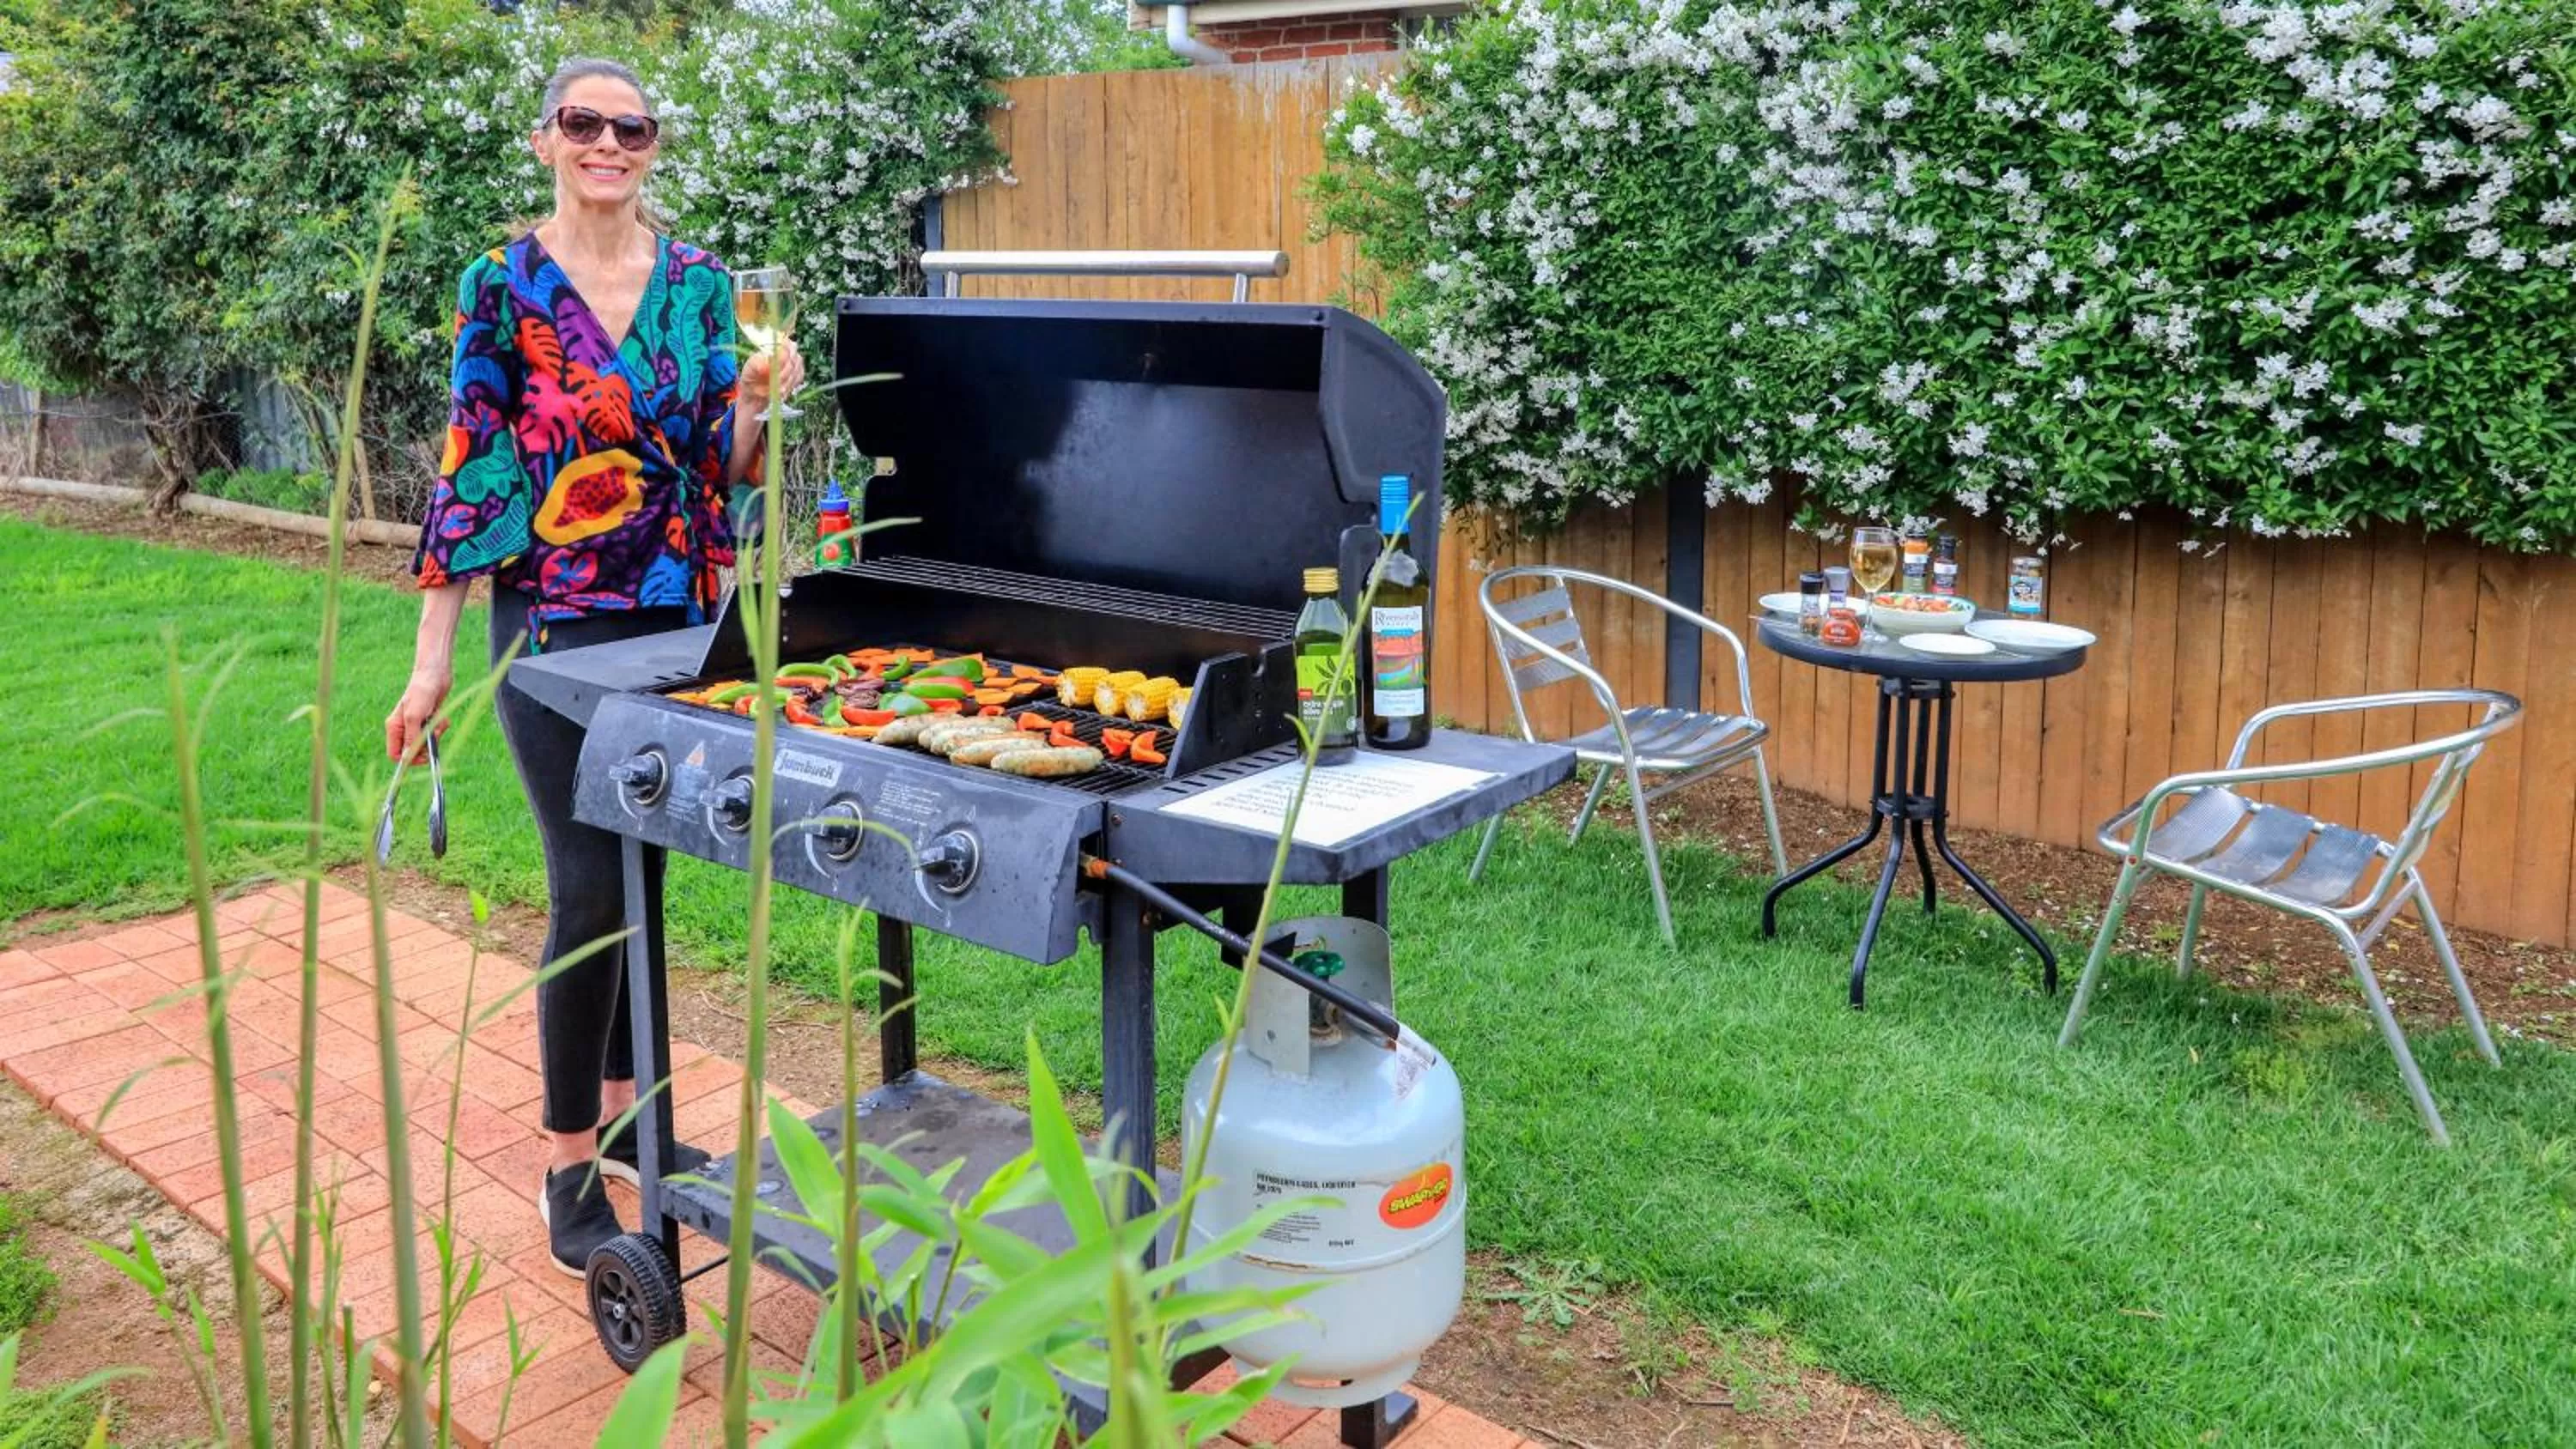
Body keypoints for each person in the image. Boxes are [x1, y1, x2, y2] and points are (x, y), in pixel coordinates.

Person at [384, 56, 804, 1276]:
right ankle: (571, 1161)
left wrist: (764, 405)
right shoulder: (500, 285)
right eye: (585, 123)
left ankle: (638, 1121)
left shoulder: (705, 287)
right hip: (551, 626)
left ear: (653, 147)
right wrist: (429, 668)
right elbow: (470, 478)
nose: (607, 143)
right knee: (586, 895)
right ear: (545, 140)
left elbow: (728, 472)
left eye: (631, 127)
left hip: (679, 623)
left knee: (645, 886)